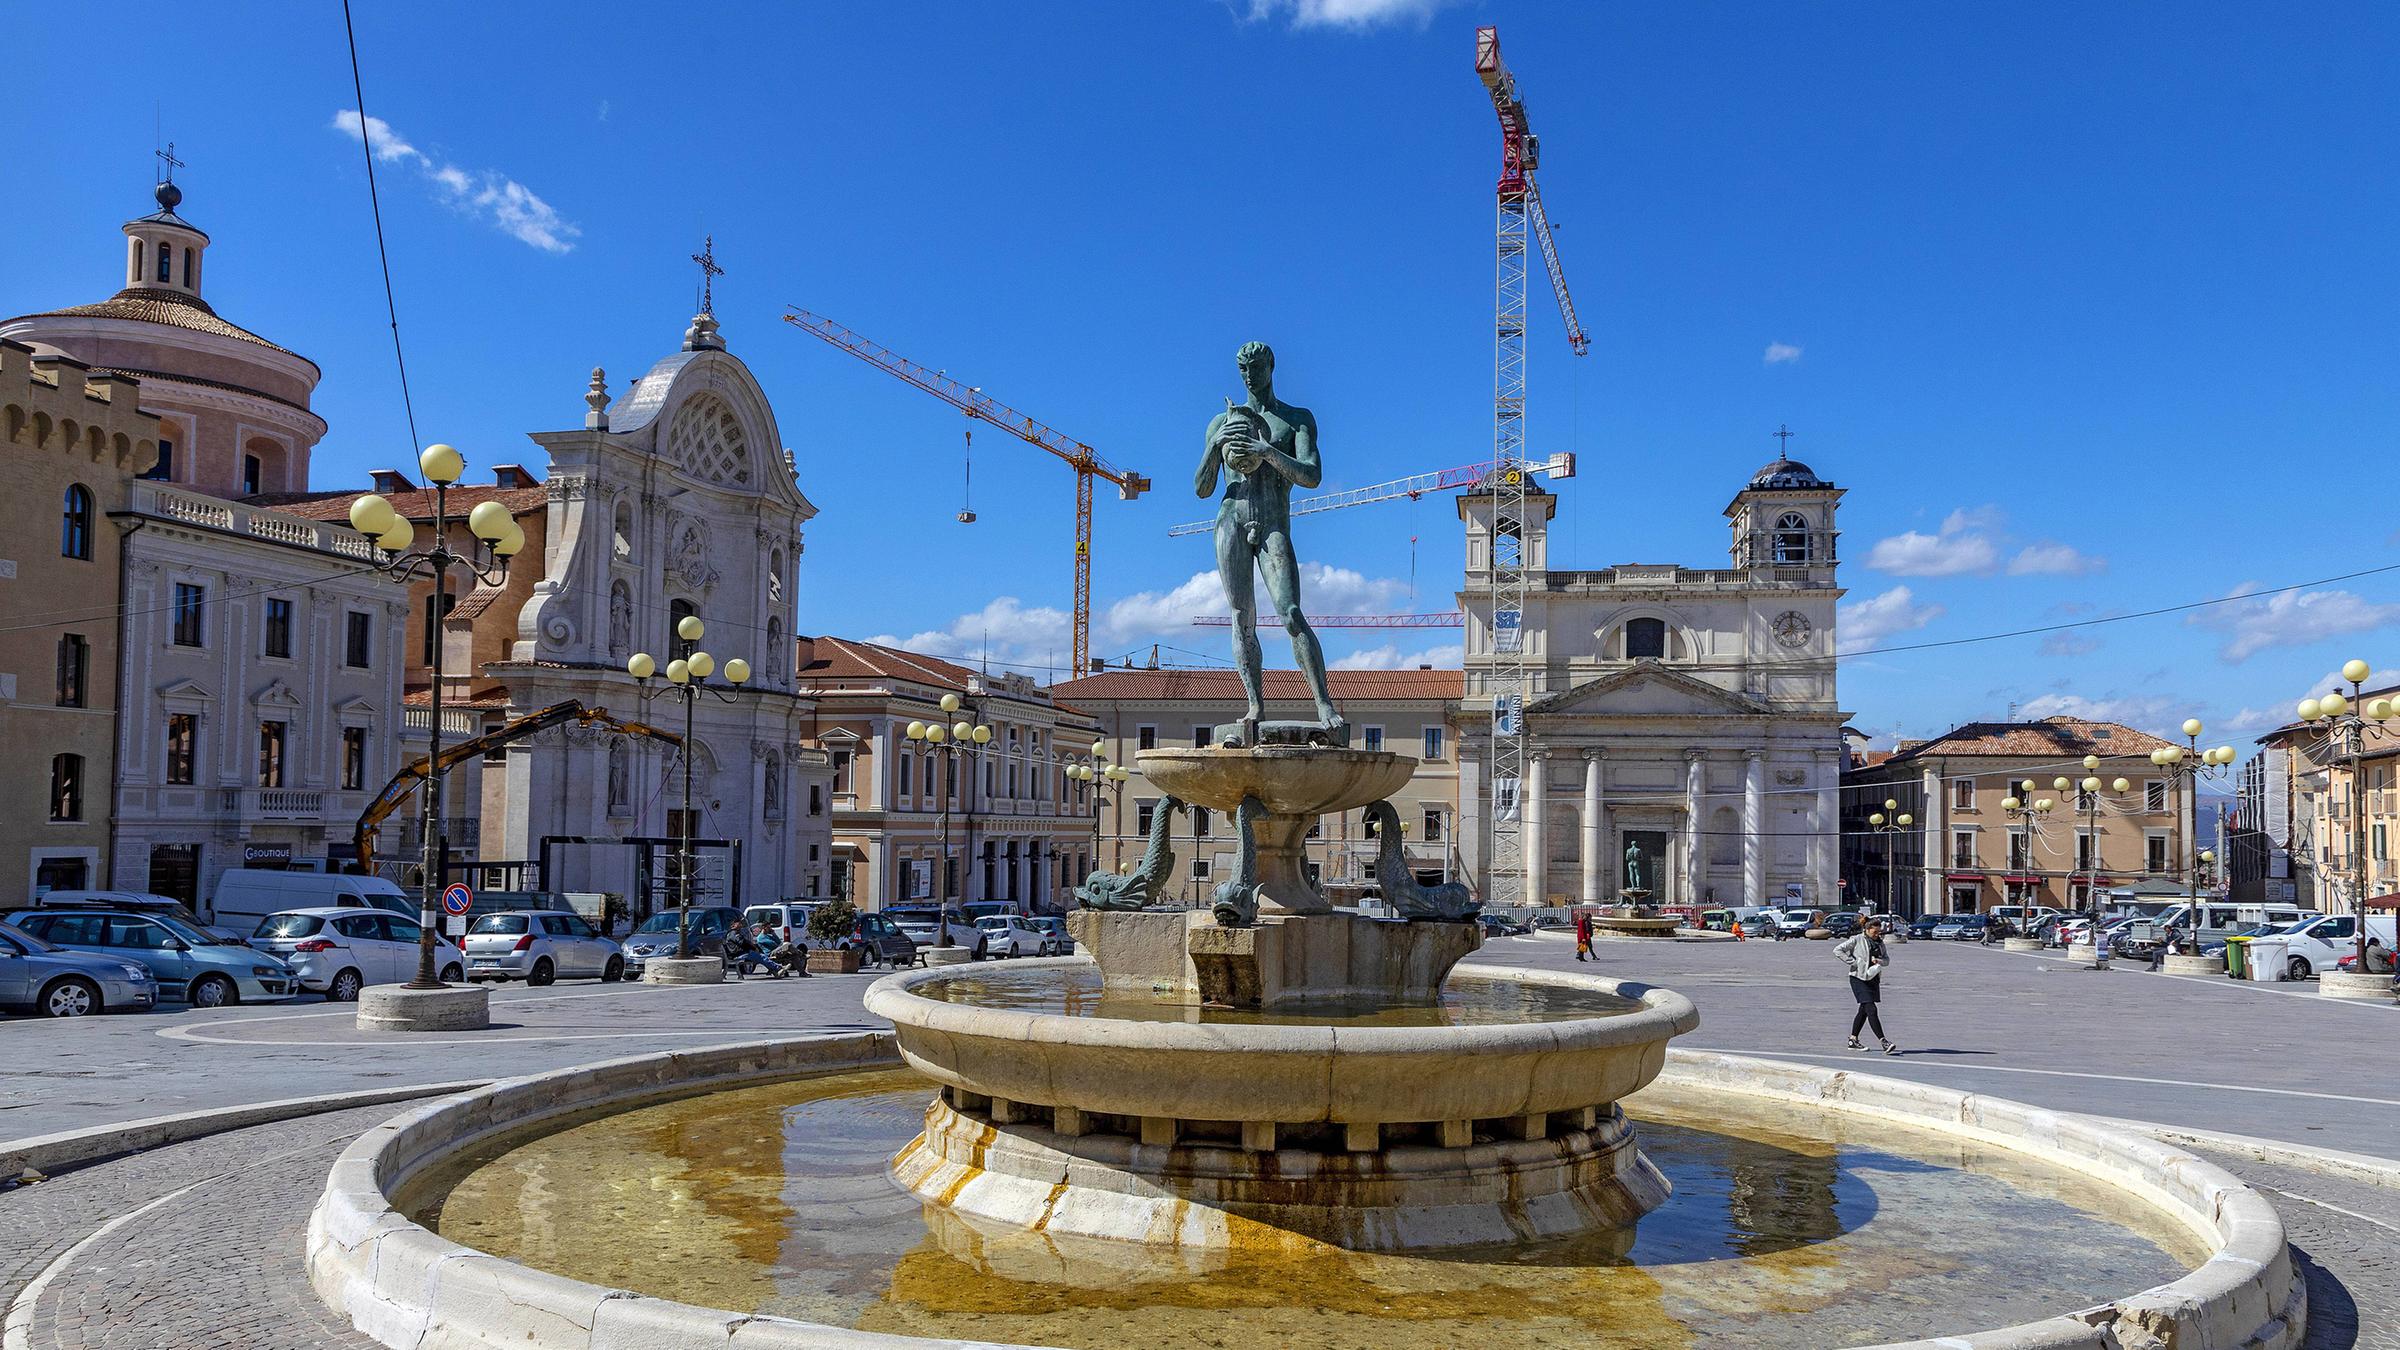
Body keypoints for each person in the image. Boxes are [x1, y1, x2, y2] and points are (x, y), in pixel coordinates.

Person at [1834, 916, 1897, 1054]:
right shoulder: (1857, 940)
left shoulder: (1880, 943)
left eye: (1878, 932)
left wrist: (1879, 961)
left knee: (1863, 1011)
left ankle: (1853, 1040)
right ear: (1867, 930)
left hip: (1873, 978)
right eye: (1874, 932)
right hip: (1858, 978)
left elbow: (1887, 960)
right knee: (1871, 1009)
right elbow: (1838, 950)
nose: (1877, 935)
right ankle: (1884, 1041)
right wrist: (1853, 962)